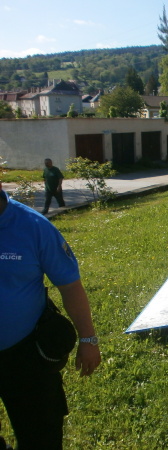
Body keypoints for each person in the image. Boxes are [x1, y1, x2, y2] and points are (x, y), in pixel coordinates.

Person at [0, 181, 101, 449]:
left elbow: (70, 287)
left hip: (24, 354)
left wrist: (88, 340)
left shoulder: (34, 226)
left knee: (40, 437)